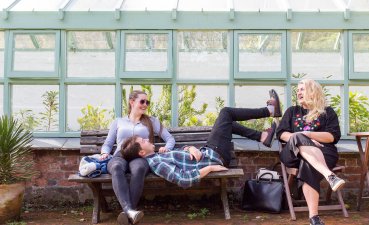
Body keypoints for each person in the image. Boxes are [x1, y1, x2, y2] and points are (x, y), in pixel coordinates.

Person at [119, 90, 282, 189]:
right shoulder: (156, 163)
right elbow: (183, 180)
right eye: (144, 141)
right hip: (214, 158)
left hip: (208, 152)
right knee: (226, 112)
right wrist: (210, 169)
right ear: (141, 152)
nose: (148, 140)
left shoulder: (157, 156)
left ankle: (263, 136)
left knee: (228, 123)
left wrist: (189, 148)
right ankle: (269, 111)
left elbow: (180, 156)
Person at [100, 90, 176, 225]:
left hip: (141, 156)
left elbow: (170, 139)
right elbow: (108, 143)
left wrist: (167, 148)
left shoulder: (152, 121)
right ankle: (130, 212)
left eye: (147, 102)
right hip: (120, 154)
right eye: (142, 101)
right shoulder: (118, 121)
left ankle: (128, 213)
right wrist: (105, 152)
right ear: (132, 102)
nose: (145, 104)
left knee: (139, 169)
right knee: (116, 167)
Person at [276, 79, 345, 225]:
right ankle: (330, 175)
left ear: (313, 92)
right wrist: (301, 138)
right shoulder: (292, 111)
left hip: (324, 153)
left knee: (307, 165)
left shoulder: (328, 112)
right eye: (297, 90)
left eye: (302, 89)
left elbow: (332, 136)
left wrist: (309, 136)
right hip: (293, 153)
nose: (298, 92)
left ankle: (314, 218)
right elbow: (281, 133)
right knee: (298, 137)